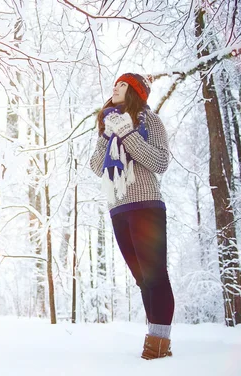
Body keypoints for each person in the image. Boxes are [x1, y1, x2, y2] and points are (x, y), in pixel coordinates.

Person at [90, 73, 174, 360]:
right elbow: (96, 166)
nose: (115, 87)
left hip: (146, 204)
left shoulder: (150, 122)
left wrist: (128, 134)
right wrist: (106, 136)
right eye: (115, 83)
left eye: (122, 84)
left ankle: (158, 344)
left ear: (136, 91)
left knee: (155, 275)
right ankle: (157, 339)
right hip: (119, 208)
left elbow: (160, 162)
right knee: (141, 278)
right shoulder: (108, 123)